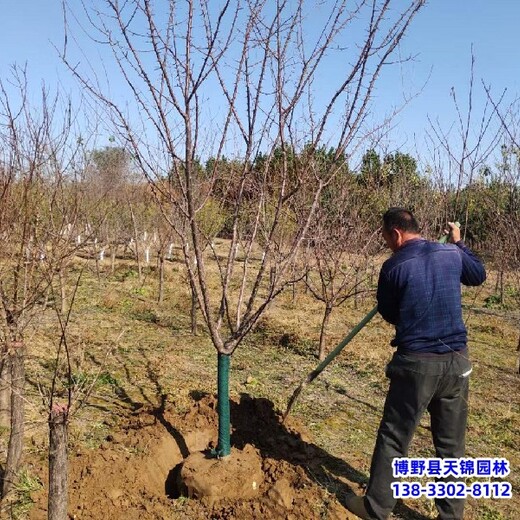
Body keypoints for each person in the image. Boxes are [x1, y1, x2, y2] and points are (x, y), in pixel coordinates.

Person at [345, 208, 486, 520]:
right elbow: (478, 275)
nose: (386, 243)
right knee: (451, 446)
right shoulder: (451, 254)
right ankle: (451, 516)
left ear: (396, 234)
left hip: (416, 364)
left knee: (395, 436)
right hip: (457, 362)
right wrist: (459, 242)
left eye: (385, 237)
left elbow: (390, 312)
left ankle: (375, 507)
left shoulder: (394, 266)